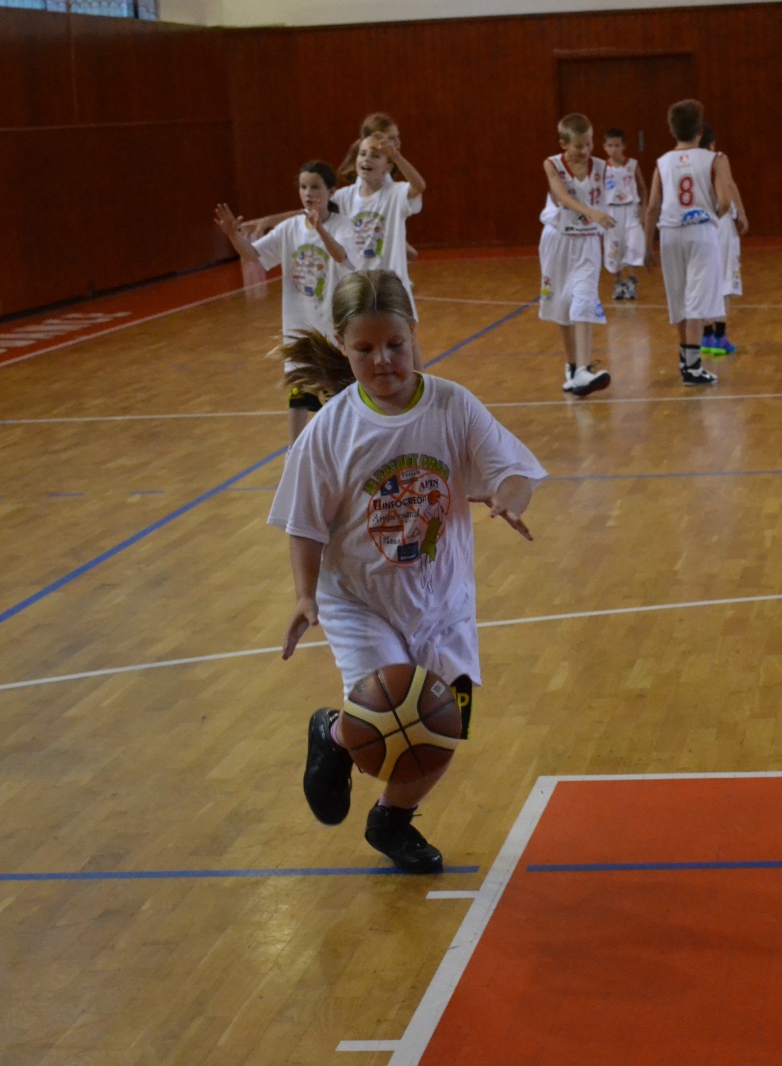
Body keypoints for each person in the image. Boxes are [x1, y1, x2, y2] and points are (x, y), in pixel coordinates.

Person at [271, 269, 545, 874]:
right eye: (365, 348)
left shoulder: (452, 405)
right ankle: (336, 735)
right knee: (391, 709)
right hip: (359, 600)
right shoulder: (330, 429)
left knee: (445, 727)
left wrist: (508, 498)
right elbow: (303, 521)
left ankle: (391, 819)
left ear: (414, 332)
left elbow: (513, 470)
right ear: (343, 346)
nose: (383, 360)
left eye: (395, 344)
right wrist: (304, 596)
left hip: (442, 602)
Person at [213, 160, 353, 440]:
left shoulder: (342, 226)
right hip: (299, 328)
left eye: (315, 187)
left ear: (331, 192)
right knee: (299, 396)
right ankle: (294, 452)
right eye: (303, 187)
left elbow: (340, 255)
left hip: (333, 329)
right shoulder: (290, 228)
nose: (308, 193)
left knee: (338, 401)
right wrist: (232, 236)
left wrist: (320, 230)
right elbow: (253, 254)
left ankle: (343, 450)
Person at [244, 113, 420, 263]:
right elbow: (310, 213)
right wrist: (269, 220)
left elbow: (417, 187)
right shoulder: (351, 193)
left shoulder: (391, 186)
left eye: (397, 137)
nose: (397, 142)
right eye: (391, 138)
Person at [643, 99, 731, 386]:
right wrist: (710, 215)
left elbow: (652, 207)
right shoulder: (714, 159)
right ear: (700, 130)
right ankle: (693, 368)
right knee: (697, 300)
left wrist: (646, 245)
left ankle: (685, 362)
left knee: (679, 299)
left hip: (669, 233)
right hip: (700, 231)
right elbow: (725, 201)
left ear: (672, 130)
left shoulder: (662, 162)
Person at [539, 113, 614, 397]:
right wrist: (592, 212)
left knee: (584, 299)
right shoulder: (552, 164)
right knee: (561, 303)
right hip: (558, 240)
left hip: (588, 241)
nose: (585, 150)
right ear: (563, 144)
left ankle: (583, 368)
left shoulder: (602, 167)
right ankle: (572, 369)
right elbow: (562, 196)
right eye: (579, 146)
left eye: (589, 143)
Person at [332, 134, 426, 312]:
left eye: (375, 156)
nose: (367, 159)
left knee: (400, 329)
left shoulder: (395, 193)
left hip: (390, 288)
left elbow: (419, 186)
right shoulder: (343, 197)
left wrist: (396, 156)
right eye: (362, 154)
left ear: (387, 168)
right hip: (358, 288)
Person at [698, 125, 749, 359]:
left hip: (698, 225)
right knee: (725, 279)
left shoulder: (686, 160)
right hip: (720, 222)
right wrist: (742, 213)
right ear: (712, 143)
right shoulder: (718, 158)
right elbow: (729, 187)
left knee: (705, 281)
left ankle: (706, 335)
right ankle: (720, 335)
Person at [601, 128, 645, 301]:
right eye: (610, 145)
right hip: (611, 211)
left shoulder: (632, 164)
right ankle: (618, 283)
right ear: (604, 147)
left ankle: (632, 281)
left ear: (624, 146)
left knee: (634, 244)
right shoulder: (602, 167)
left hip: (631, 208)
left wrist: (643, 209)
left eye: (617, 145)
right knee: (614, 247)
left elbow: (642, 188)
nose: (614, 149)